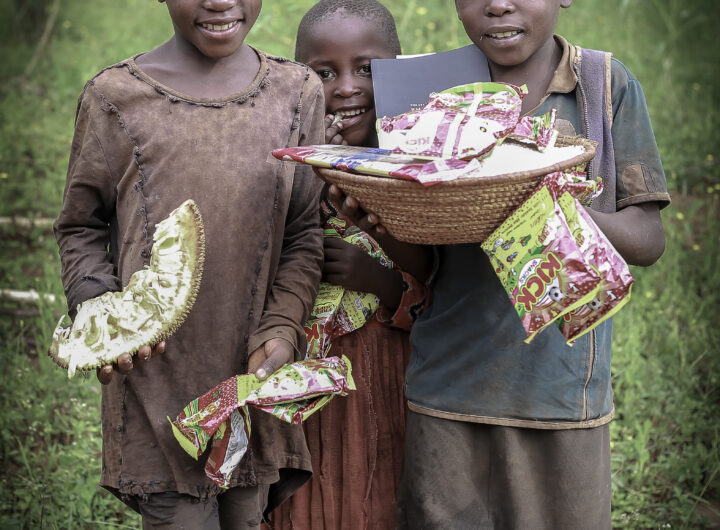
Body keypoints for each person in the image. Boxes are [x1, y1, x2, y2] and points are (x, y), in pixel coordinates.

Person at [332, 0, 671, 528]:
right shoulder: (429, 88)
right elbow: (428, 263)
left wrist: (547, 197)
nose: (498, 5)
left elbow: (648, 240)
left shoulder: (603, 86)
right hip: (447, 390)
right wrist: (376, 221)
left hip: (560, 395)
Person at [53, 0, 327, 527]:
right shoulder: (115, 99)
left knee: (245, 515)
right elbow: (80, 225)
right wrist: (103, 319)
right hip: (157, 381)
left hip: (250, 376)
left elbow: (302, 230)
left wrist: (282, 327)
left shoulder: (296, 93)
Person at [267, 2, 431, 529]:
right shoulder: (284, 161)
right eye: (323, 72)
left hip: (387, 374)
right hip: (302, 380)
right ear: (296, 78)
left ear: (399, 70)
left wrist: (376, 278)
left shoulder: (420, 165)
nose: (346, 87)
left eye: (367, 68)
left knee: (378, 491)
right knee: (307, 500)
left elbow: (445, 282)